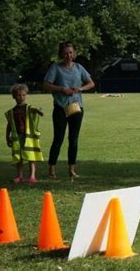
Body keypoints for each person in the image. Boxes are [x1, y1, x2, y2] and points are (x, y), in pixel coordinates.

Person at [43, 41, 95, 179]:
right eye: (65, 53)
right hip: (60, 107)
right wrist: (62, 89)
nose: (68, 55)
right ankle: (51, 170)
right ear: (61, 54)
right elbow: (46, 85)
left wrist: (80, 89)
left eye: (71, 52)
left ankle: (71, 170)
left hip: (76, 107)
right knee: (58, 139)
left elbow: (91, 83)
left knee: (74, 139)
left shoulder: (78, 67)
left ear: (74, 53)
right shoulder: (55, 68)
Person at [5, 84, 44, 183]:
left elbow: (33, 109)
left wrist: (38, 111)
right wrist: (7, 137)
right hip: (17, 137)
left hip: (28, 137)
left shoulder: (28, 108)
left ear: (26, 95)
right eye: (18, 95)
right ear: (14, 96)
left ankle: (32, 176)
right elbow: (9, 125)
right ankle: (19, 176)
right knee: (19, 157)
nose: (21, 97)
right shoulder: (12, 112)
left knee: (31, 155)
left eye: (23, 95)